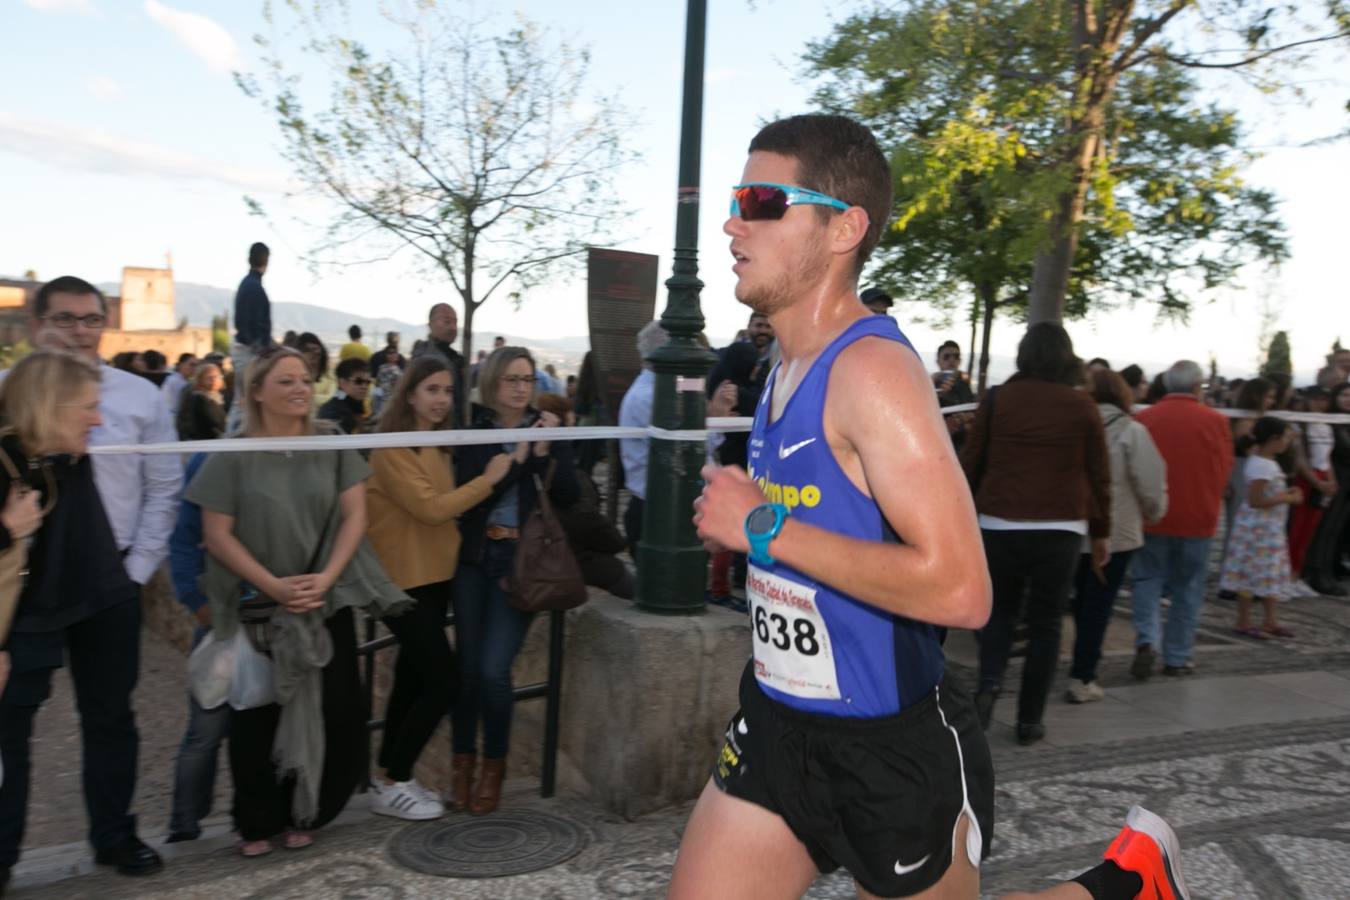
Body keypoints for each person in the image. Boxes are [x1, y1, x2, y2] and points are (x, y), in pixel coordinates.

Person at [672, 113, 1183, 900]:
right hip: (778, 723)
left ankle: (1122, 888)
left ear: (845, 228)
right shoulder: (781, 362)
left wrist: (763, 528)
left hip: (890, 748)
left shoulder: (872, 371)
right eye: (738, 198)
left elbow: (961, 590)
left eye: (763, 199)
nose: (734, 219)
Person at [185, 347, 409, 856]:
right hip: (259, 608)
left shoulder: (331, 440)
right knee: (257, 717)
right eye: (285, 381)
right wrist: (273, 585)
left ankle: (307, 811)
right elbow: (216, 534)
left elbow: (356, 515)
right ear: (257, 391)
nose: (299, 388)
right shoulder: (234, 452)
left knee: (336, 714)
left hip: (322, 603)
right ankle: (258, 822)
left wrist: (326, 578)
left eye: (305, 379)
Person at [0, 349, 165, 883]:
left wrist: (134, 571)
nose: (99, 419)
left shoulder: (61, 448)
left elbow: (163, 486)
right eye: (88, 408)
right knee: (8, 734)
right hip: (23, 611)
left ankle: (114, 836)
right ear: (50, 405)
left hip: (100, 586)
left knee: (112, 717)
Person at [366, 355, 516, 820]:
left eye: (448, 391)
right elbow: (432, 509)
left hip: (433, 578)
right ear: (409, 393)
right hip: (400, 583)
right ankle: (397, 776)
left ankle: (388, 777)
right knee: (443, 680)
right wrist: (488, 481)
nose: (441, 400)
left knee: (412, 681)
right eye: (431, 389)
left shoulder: (438, 444)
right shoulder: (394, 446)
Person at [960, 322, 1111, 744]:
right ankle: (1029, 719)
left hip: (1000, 520)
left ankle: (989, 682)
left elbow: (973, 459)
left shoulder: (999, 398)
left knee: (1000, 613)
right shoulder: (1083, 406)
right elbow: (1099, 475)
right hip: (1062, 526)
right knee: (1046, 624)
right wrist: (1101, 534)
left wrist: (961, 513)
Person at [452, 346, 577, 815]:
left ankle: (493, 765)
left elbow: (568, 494)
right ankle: (460, 762)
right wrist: (518, 460)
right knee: (466, 672)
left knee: (492, 670)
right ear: (492, 384)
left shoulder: (544, 429)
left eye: (528, 379)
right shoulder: (475, 433)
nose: (522, 387)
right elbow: (470, 500)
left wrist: (545, 455)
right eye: (512, 379)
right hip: (474, 558)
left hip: (520, 564)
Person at [1066, 370, 1167, 704]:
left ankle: (1080, 660)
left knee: (1078, 603)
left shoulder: (1073, 428)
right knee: (1098, 604)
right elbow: (1150, 481)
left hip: (1070, 528)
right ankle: (1083, 675)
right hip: (1115, 533)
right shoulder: (1132, 431)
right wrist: (1154, 511)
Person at [1130, 360, 1234, 679]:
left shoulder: (1144, 418)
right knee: (1187, 589)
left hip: (1152, 516)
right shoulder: (1215, 421)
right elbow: (1225, 468)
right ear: (1196, 387)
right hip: (1197, 516)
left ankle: (1147, 640)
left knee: (1147, 581)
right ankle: (1177, 656)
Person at [165, 453, 230, 843]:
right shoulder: (211, 458)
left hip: (269, 615)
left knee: (255, 728)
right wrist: (198, 604)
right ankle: (185, 822)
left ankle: (250, 816)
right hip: (219, 616)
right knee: (206, 727)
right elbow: (184, 539)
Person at [536, 393, 636, 600]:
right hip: (573, 556)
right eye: (572, 423)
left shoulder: (544, 457)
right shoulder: (567, 469)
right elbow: (587, 521)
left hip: (560, 550)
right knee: (629, 583)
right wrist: (618, 543)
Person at [1221, 416, 1301, 640]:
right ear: (1274, 439)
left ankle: (1270, 619)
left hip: (1266, 530)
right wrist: (1286, 497)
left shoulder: (1263, 461)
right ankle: (1244, 620)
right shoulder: (1263, 465)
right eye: (1285, 437)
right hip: (1259, 532)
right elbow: (1256, 500)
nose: (1287, 442)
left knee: (1267, 574)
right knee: (1252, 573)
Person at [1302, 382, 1350, 595]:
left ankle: (1329, 569)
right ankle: (1316, 572)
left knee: (1337, 529)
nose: (1347, 399)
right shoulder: (1328, 422)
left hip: (1346, 482)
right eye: (1344, 395)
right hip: (1333, 479)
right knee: (1325, 528)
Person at [230, 242, 274, 432]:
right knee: (247, 406)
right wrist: (263, 350)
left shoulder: (247, 285)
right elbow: (253, 329)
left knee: (243, 405)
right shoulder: (254, 288)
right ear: (266, 261)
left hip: (245, 351)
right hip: (250, 353)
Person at [412, 304, 467, 426]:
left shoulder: (453, 357)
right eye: (447, 321)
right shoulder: (426, 358)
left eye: (455, 322)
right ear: (430, 325)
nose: (453, 327)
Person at [317, 358, 371, 435]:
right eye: (358, 381)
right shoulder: (334, 414)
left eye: (368, 382)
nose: (364, 386)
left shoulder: (356, 405)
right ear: (342, 382)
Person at [176, 363, 226, 441]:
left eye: (217, 377)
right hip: (205, 442)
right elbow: (218, 423)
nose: (214, 380)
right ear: (200, 379)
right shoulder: (200, 398)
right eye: (209, 378)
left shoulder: (217, 396)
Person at [296, 332, 335, 412]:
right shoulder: (294, 375)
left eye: (315, 350)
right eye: (307, 350)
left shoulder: (331, 374)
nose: (313, 354)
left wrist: (306, 397)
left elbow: (334, 398)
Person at [372, 345, 405, 419]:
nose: (393, 355)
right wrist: (375, 405)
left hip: (394, 404)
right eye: (390, 353)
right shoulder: (381, 368)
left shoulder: (399, 371)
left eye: (395, 352)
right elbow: (377, 385)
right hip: (383, 402)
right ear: (386, 355)